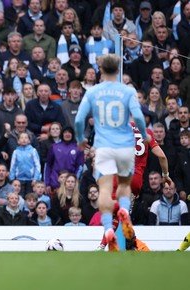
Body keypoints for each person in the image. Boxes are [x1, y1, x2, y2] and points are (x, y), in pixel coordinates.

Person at [75, 54, 149, 251]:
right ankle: (124, 210)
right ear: (118, 70)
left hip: (104, 146)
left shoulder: (93, 92)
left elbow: (79, 120)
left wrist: (80, 139)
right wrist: (144, 135)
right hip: (125, 146)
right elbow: (140, 118)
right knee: (124, 185)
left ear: (101, 69)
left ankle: (108, 227)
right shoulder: (127, 91)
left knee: (106, 189)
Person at [9, 132, 41, 196]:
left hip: (31, 180)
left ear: (29, 141)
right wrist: (12, 179)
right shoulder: (16, 152)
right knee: (19, 197)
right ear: (18, 141)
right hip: (19, 179)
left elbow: (37, 165)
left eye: (26, 138)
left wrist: (35, 178)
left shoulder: (33, 151)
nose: (24, 139)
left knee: (29, 198)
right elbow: (13, 166)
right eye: (21, 138)